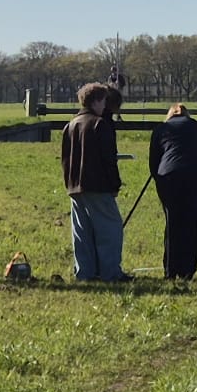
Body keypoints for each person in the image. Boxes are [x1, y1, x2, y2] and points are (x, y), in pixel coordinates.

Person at [62, 82, 127, 282]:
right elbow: (109, 159)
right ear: (98, 101)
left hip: (75, 186)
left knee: (82, 233)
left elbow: (65, 159)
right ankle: (110, 273)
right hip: (98, 186)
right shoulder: (100, 124)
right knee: (110, 229)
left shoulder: (71, 124)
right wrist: (115, 185)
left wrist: (69, 184)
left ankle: (85, 273)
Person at [148, 102, 197, 280]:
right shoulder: (193, 125)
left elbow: (153, 161)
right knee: (190, 222)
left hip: (168, 176)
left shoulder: (160, 128)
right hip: (193, 175)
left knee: (173, 223)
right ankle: (187, 270)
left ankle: (170, 270)